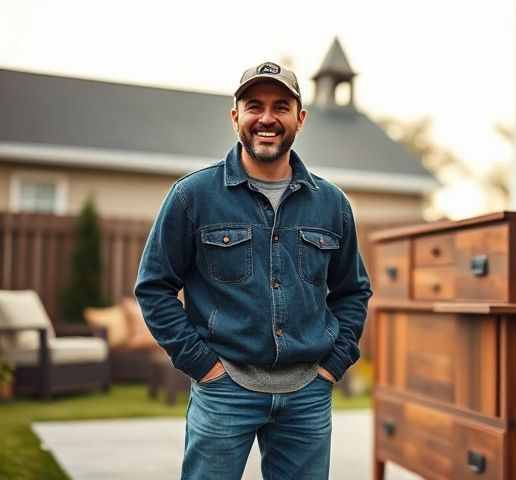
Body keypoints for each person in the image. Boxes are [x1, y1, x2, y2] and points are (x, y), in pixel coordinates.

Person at [134, 60, 372, 480]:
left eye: (281, 106)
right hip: (224, 389)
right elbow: (154, 288)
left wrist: (333, 365)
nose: (267, 118)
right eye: (254, 105)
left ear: (300, 118)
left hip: (307, 394)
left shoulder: (332, 205)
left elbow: (352, 292)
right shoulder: (193, 197)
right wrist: (203, 365)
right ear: (235, 117)